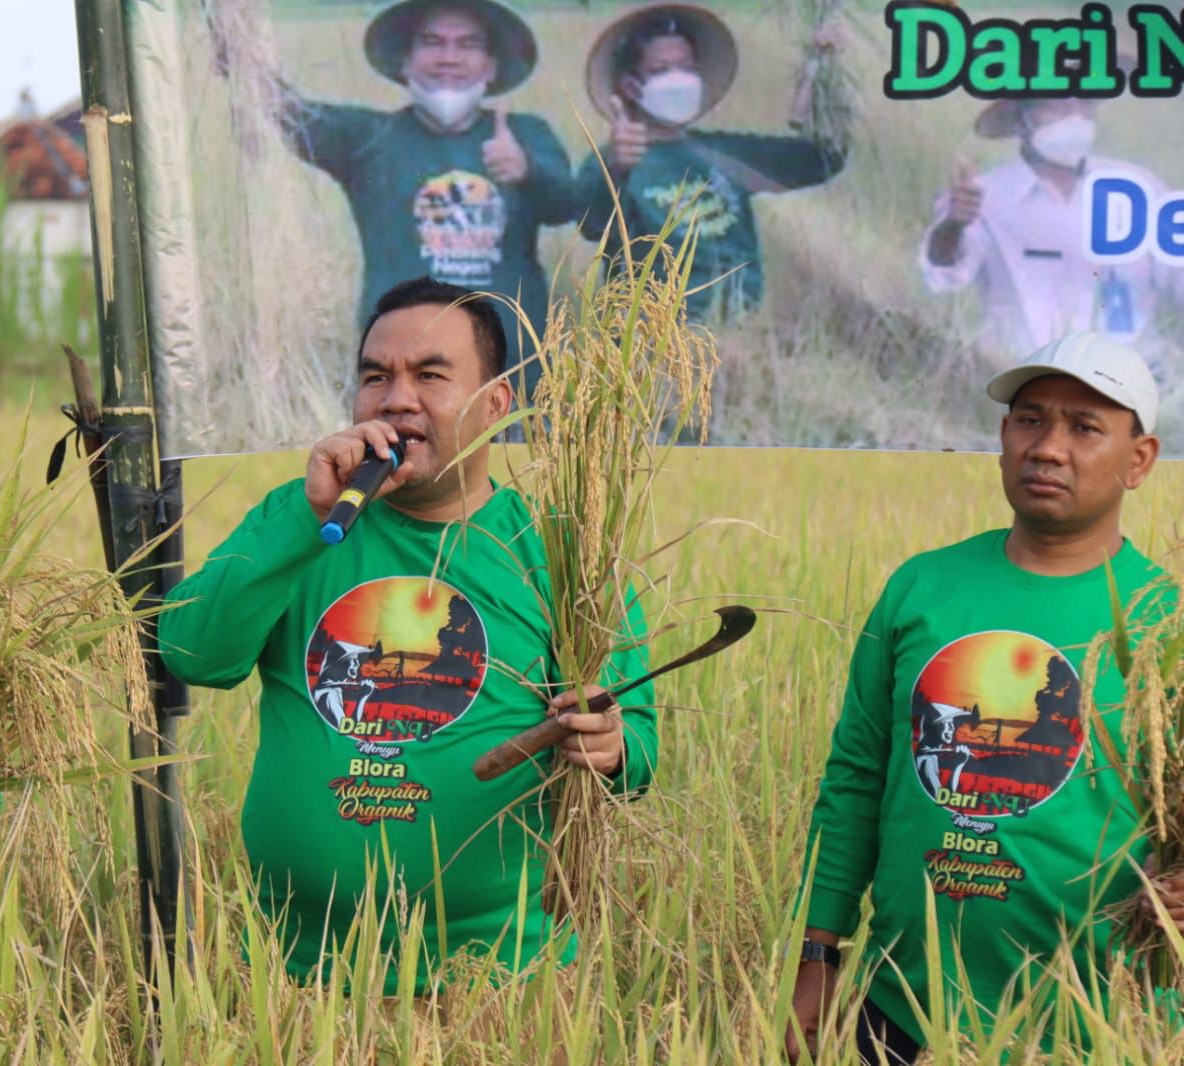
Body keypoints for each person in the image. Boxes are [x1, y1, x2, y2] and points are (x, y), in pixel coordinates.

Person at [158, 277, 658, 992]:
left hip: (496, 979)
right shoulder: (300, 522)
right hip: (292, 975)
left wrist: (611, 748)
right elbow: (192, 652)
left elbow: (635, 744)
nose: (395, 398)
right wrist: (309, 518)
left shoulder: (561, 551)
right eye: (374, 377)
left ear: (494, 405)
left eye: (429, 375)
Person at [787, 331, 1184, 1064]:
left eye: (1084, 427)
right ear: (1003, 436)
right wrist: (818, 950)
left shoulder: (1167, 622)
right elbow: (853, 780)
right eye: (1029, 419)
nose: (1047, 447)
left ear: (1139, 460)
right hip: (901, 1007)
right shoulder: (922, 588)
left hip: (1101, 1023)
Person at [229, 0, 575, 395]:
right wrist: (239, 49)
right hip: (403, 377)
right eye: (432, 42)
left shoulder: (526, 134)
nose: (449, 57)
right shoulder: (368, 138)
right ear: (405, 61)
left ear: (492, 65)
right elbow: (287, 112)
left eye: (468, 44)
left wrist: (526, 169)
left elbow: (568, 207)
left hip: (512, 375)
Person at [575, 3, 848, 321]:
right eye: (660, 70)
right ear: (630, 86)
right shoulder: (612, 163)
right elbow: (592, 224)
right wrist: (617, 166)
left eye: (687, 67)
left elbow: (822, 159)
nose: (678, 80)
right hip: (654, 343)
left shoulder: (726, 153)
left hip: (736, 336)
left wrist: (817, 69)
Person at [919, 84, 1184, 372]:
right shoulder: (987, 197)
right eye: (1055, 105)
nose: (1074, 117)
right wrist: (955, 224)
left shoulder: (1138, 188)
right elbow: (943, 273)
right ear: (1021, 119)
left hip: (1137, 380)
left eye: (1084, 103)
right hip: (1022, 377)